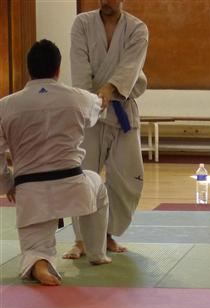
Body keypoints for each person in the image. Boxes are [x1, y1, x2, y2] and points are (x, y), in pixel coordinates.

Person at [0, 39, 111, 286]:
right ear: (58, 69)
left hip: (30, 190)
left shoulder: (5, 106)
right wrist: (106, 93)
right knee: (98, 186)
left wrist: (8, 184)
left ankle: (40, 263)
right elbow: (99, 105)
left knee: (35, 248)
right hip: (73, 185)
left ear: (28, 69)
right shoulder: (78, 98)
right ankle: (97, 252)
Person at [64, 0, 148, 260]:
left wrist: (109, 90)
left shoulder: (137, 29)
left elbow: (130, 68)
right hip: (90, 109)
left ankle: (107, 234)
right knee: (83, 175)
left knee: (127, 178)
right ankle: (81, 239)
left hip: (122, 109)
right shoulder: (82, 24)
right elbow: (79, 66)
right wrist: (91, 100)